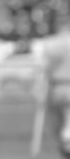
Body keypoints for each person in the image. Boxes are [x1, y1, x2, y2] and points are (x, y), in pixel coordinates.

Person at [34, 15, 70, 158]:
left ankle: (65, 145)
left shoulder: (51, 43)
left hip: (57, 86)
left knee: (59, 121)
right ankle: (66, 145)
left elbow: (43, 69)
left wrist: (39, 89)